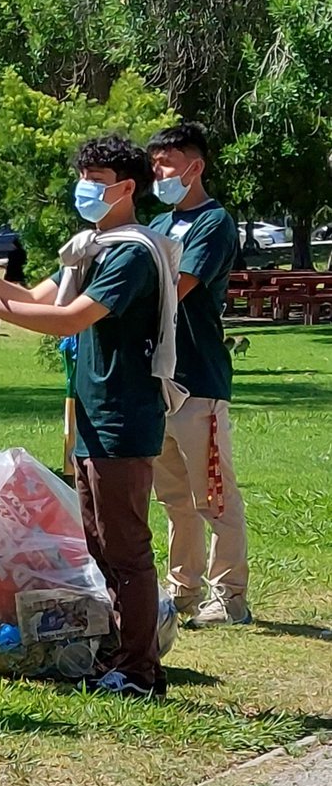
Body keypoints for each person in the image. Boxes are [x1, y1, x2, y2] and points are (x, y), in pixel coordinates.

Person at [0, 135, 180, 698]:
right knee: (100, 543)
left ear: (126, 188)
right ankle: (118, 650)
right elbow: (41, 298)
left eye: (96, 179)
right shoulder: (90, 247)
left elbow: (70, 321)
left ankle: (139, 670)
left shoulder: (131, 252)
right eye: (83, 176)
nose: (86, 188)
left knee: (126, 546)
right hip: (92, 415)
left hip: (123, 417)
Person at [148, 121, 250, 625]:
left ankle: (229, 596)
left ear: (195, 166)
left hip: (199, 381)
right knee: (172, 497)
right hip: (160, 382)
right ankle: (183, 589)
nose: (159, 174)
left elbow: (176, 286)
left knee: (212, 492)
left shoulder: (214, 223)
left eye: (166, 164)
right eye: (155, 165)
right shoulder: (161, 226)